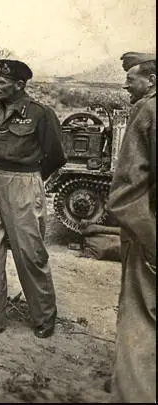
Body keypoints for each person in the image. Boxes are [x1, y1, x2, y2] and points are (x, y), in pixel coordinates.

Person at [0, 59, 66, 338]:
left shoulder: (40, 114)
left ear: (19, 85)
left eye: (1, 82)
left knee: (29, 253)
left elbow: (56, 155)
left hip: (23, 183)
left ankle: (44, 317)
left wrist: (31, 180)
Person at [106, 52, 156, 403]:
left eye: (132, 78)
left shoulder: (147, 111)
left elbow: (125, 192)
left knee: (140, 317)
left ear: (152, 80)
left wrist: (150, 239)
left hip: (149, 234)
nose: (126, 83)